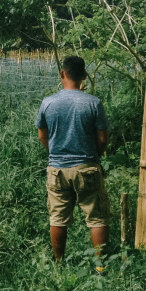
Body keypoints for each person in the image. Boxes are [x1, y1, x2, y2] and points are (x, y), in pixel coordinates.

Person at [35, 55, 109, 264]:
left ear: (62, 74)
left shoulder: (48, 103)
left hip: (56, 169)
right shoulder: (94, 103)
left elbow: (42, 134)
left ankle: (59, 263)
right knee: (97, 218)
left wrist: (55, 152)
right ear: (84, 76)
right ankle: (100, 268)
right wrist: (95, 156)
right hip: (87, 167)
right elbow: (103, 138)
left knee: (58, 218)